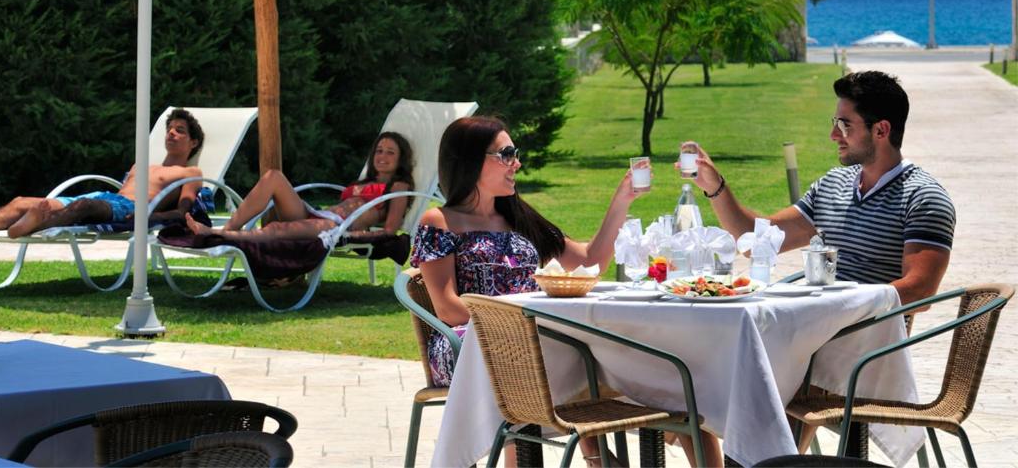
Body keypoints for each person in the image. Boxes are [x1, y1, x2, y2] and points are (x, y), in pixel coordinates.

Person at [411, 116, 723, 468]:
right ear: (470, 160)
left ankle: (642, 422)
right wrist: (518, 319)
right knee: (557, 351)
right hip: (469, 345)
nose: (517, 163)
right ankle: (597, 454)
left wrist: (622, 200)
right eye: (507, 154)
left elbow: (589, 261)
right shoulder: (439, 222)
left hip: (538, 337)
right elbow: (447, 308)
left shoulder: (518, 217)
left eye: (515, 153)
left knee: (661, 370)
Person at [683, 70, 955, 305]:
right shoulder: (833, 185)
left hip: (867, 341)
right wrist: (715, 187)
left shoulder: (923, 198)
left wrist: (839, 308)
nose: (833, 135)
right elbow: (755, 243)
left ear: (881, 130)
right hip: (818, 327)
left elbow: (920, 290)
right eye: (834, 124)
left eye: (844, 125)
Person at [0, 108, 205, 238]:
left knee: (83, 206)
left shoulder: (190, 172)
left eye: (179, 130)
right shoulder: (141, 166)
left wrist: (150, 215)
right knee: (21, 202)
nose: (171, 133)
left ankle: (36, 225)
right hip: (106, 198)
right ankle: (31, 221)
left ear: (193, 142)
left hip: (130, 207)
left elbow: (182, 213)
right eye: (169, 129)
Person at [184, 131, 414, 250]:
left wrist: (350, 236)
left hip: (334, 227)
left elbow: (390, 230)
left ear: (401, 158)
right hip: (320, 214)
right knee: (273, 177)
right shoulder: (364, 182)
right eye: (379, 150)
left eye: (390, 152)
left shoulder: (398, 187)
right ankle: (228, 229)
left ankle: (217, 235)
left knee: (276, 228)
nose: (382, 156)